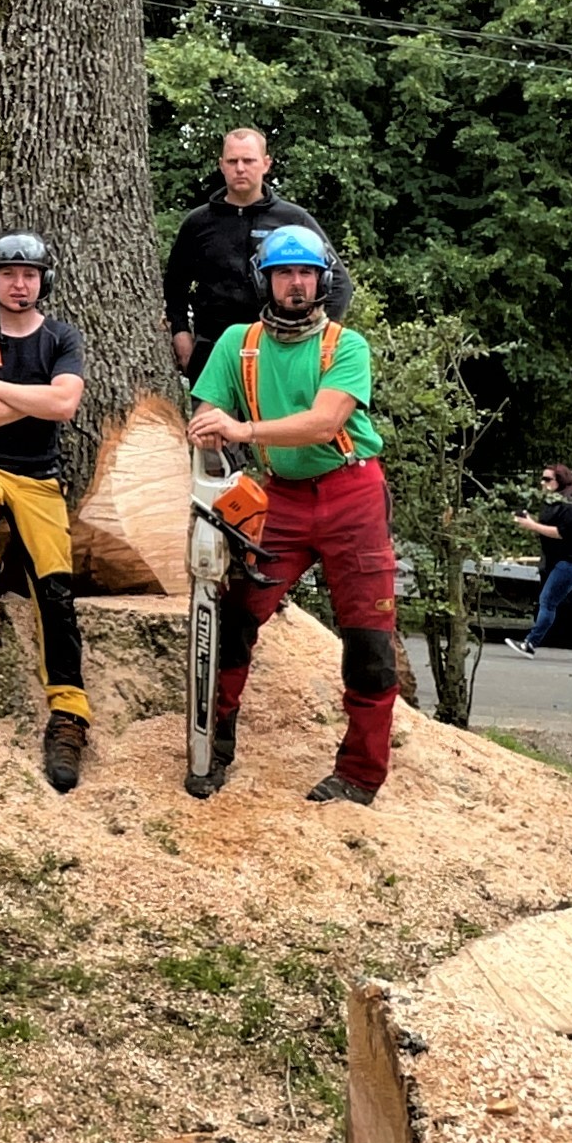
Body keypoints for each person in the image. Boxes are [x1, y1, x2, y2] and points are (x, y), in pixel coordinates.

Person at [183, 227, 397, 804]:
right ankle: (212, 750)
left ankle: (359, 774)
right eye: (284, 274)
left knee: (369, 640)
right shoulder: (237, 343)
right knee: (233, 618)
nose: (296, 284)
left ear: (322, 279)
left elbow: (325, 422)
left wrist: (243, 430)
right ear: (266, 280)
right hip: (281, 495)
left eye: (305, 273)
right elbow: (208, 408)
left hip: (352, 492)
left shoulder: (345, 345)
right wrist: (208, 430)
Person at [0, 232, 93, 794]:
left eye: (29, 274)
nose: (19, 283)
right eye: (9, 273)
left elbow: (65, 404)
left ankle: (69, 715)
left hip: (40, 479)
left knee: (55, 596)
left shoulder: (61, 336)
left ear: (44, 280)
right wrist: (32, 398)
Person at [161, 128, 354, 373]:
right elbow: (174, 287)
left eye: (248, 160)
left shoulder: (293, 219)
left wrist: (317, 338)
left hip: (277, 352)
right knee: (209, 414)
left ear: (266, 164)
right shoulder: (198, 223)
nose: (240, 168)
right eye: (232, 161)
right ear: (221, 165)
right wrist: (180, 334)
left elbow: (339, 283)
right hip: (213, 353)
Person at [508, 464, 572, 658]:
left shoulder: (570, 505)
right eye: (542, 478)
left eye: (547, 479)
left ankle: (530, 643)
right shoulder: (551, 503)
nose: (542, 483)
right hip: (562, 563)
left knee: (547, 601)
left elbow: (560, 532)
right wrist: (530, 520)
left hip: (571, 563)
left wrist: (532, 525)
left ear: (559, 481)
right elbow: (545, 526)